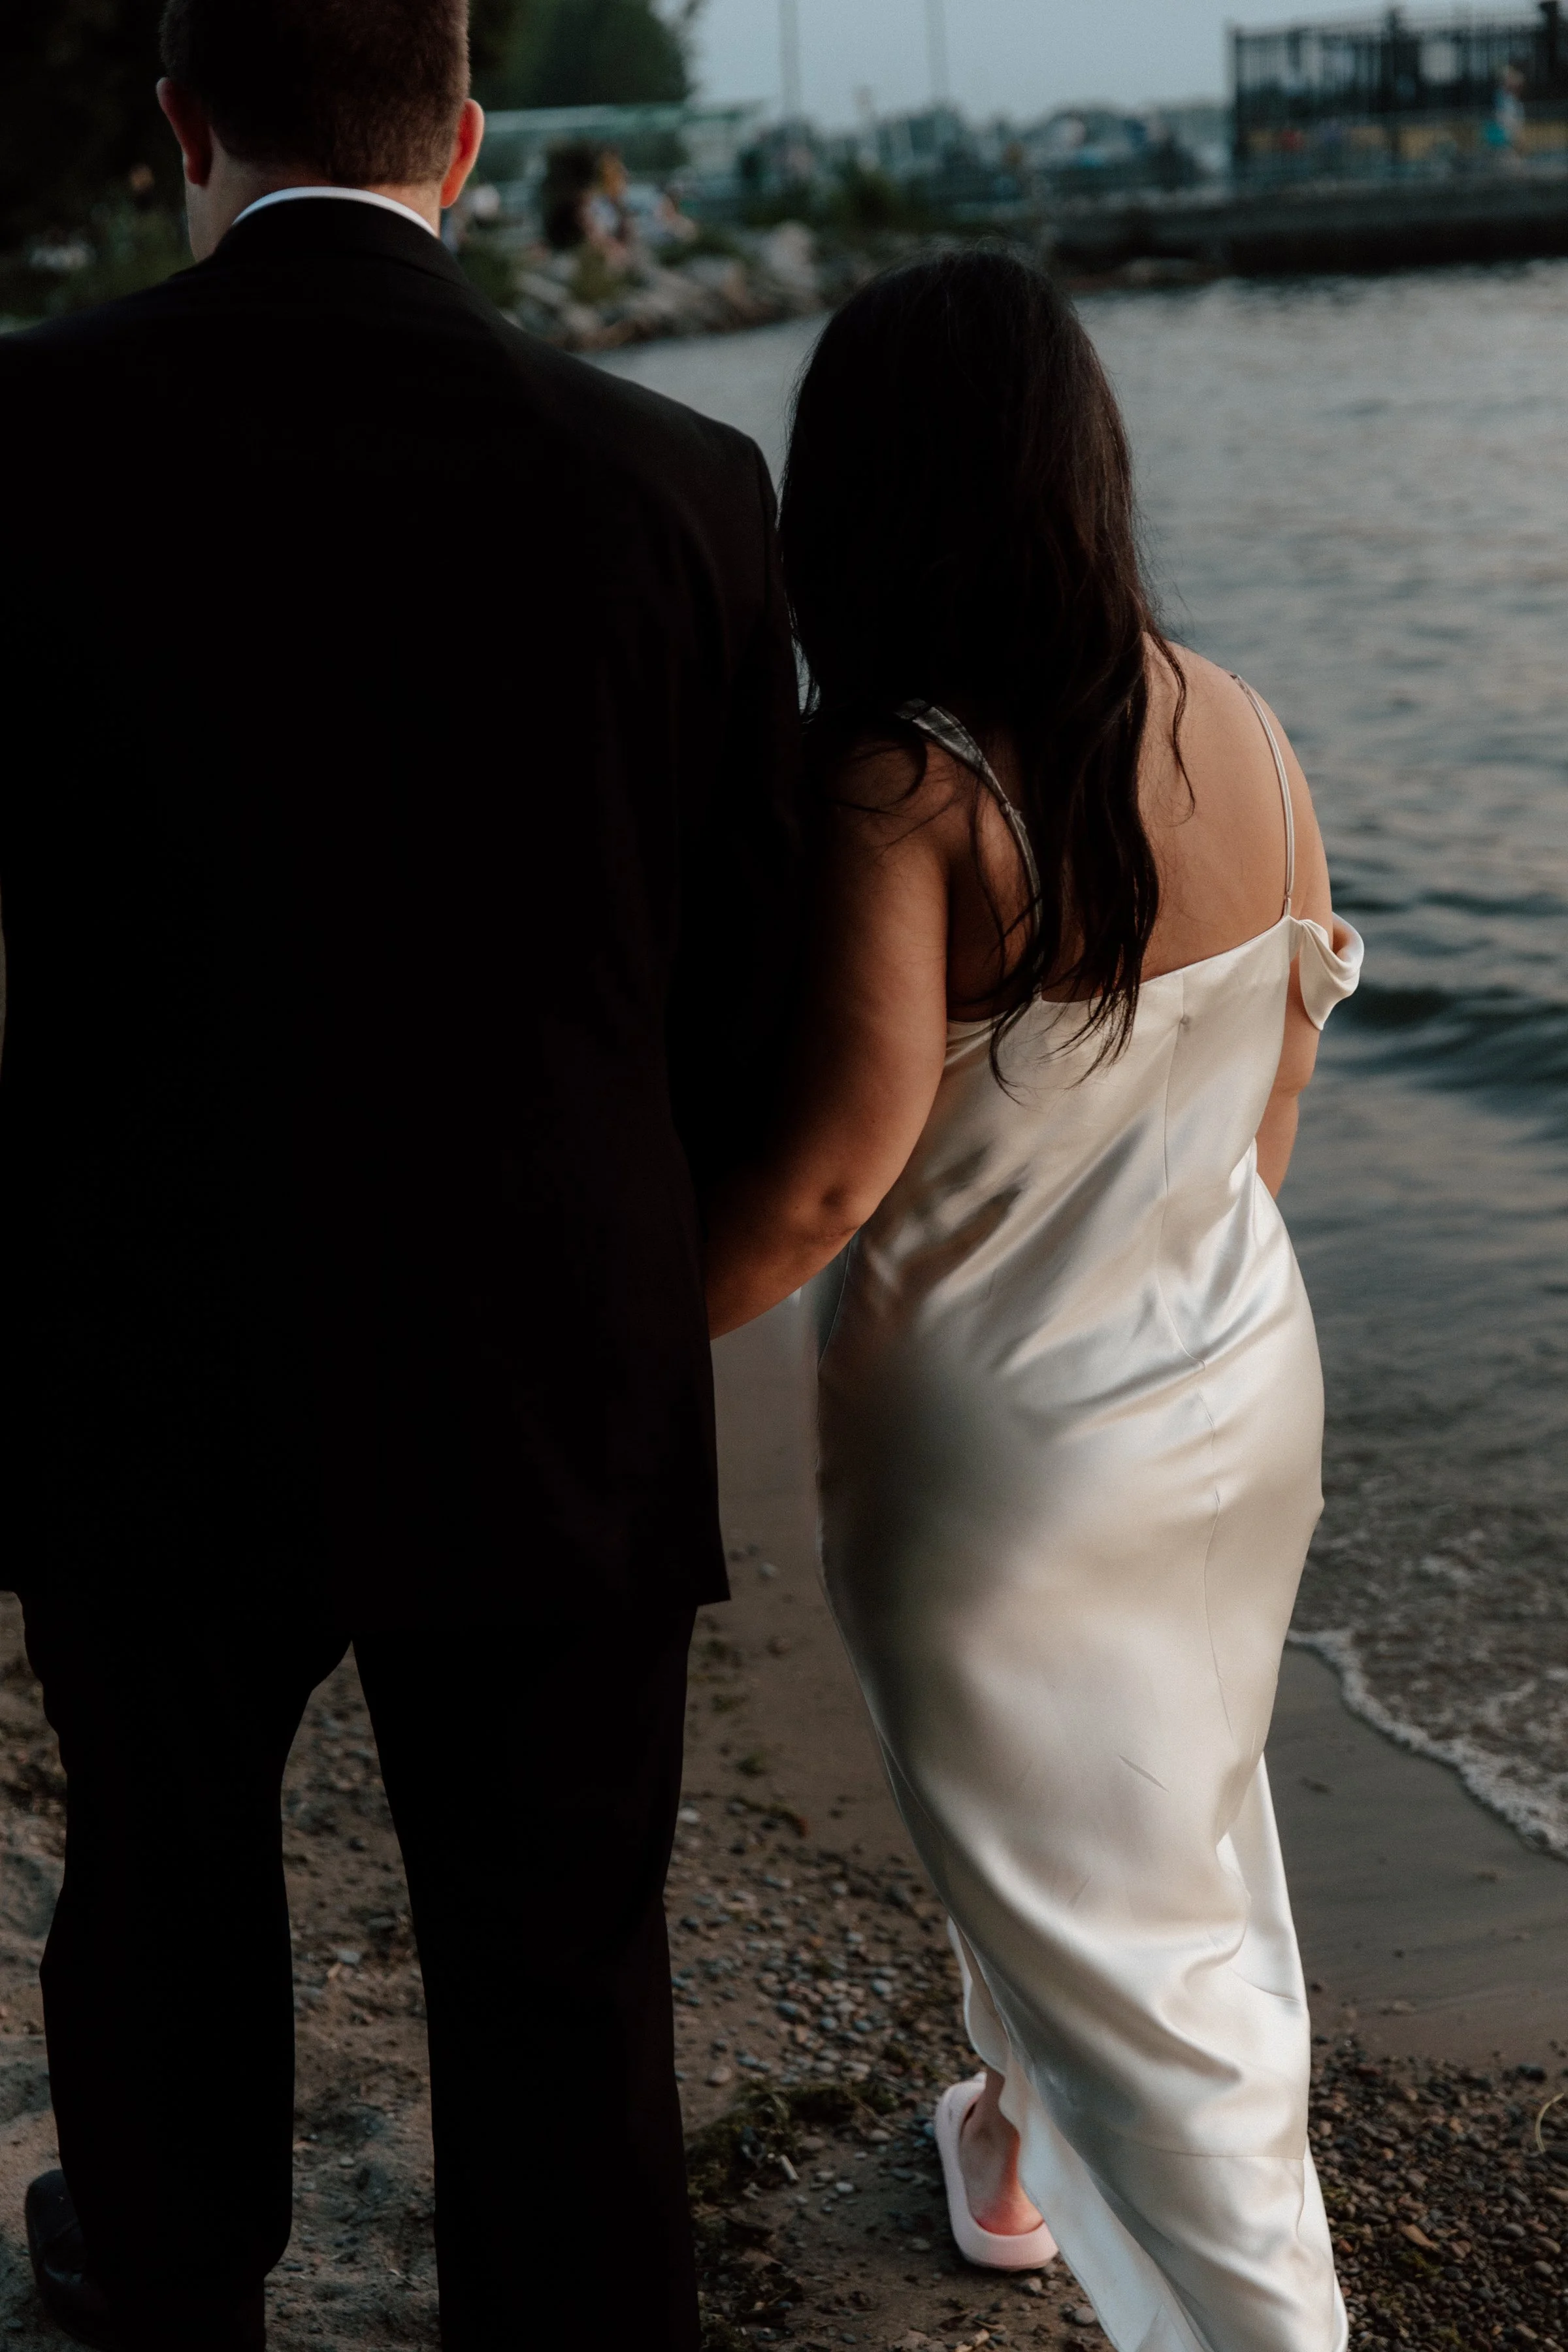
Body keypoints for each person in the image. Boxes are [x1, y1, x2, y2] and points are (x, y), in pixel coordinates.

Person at [0, 1, 800, 2347]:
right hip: (554, 1348)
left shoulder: (24, 433)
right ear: (463, 138)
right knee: (561, 1954)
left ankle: (171, 2286)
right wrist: (644, 1280)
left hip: (141, 1326)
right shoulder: (680, 481)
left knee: (158, 1881)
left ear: (183, 121)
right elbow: (756, 989)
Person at [704, 250, 1363, 2351]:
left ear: (866, 491)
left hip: (1005, 1451)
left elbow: (828, 1179)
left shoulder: (905, 785)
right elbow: (1276, 1082)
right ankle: (1006, 2155)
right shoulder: (1239, 720)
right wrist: (1169, 1330)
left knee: (1135, 1958)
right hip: (1235, 1375)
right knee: (1165, 1823)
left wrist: (594, 1341)